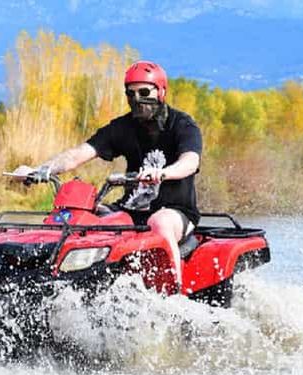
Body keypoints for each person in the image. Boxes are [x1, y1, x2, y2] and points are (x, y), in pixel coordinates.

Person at [13, 60, 202, 291]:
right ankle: (65, 285)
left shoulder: (182, 125)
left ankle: (176, 294)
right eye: (130, 94)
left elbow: (190, 162)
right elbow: (80, 153)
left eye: (144, 92)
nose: (137, 99)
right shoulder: (123, 127)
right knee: (81, 218)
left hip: (175, 212)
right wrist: (40, 170)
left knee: (159, 222)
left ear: (161, 92)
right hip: (131, 210)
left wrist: (163, 173)